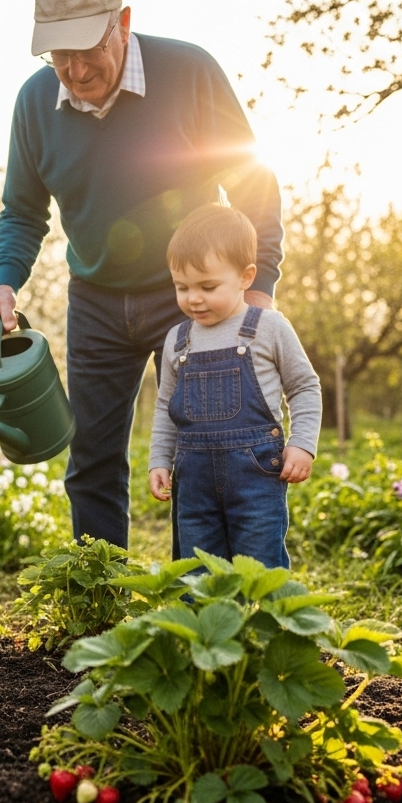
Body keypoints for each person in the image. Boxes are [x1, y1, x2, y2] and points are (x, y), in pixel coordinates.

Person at [0, 0, 284, 551]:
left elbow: (253, 182)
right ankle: (102, 607)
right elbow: (22, 210)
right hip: (94, 302)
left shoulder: (189, 71)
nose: (74, 68)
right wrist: (4, 282)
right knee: (91, 459)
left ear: (122, 22)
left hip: (191, 298)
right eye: (57, 54)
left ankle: (196, 605)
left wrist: (259, 283)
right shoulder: (36, 103)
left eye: (87, 47)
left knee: (202, 453)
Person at [147, 204, 321, 567]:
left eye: (208, 286)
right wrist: (159, 460)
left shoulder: (269, 328)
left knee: (260, 567)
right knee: (199, 569)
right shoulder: (177, 339)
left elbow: (304, 386)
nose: (193, 298)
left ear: (246, 277)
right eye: (182, 287)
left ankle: (263, 623)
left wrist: (302, 444)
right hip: (193, 486)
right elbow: (166, 407)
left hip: (256, 480)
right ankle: (207, 623)